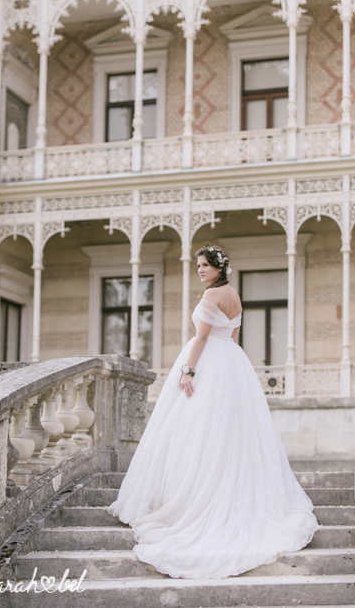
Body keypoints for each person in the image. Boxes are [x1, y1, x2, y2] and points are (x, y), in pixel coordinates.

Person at [108, 244, 319, 579]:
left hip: (209, 362)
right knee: (227, 431)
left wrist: (188, 371)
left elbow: (201, 339)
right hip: (233, 363)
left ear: (219, 267)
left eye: (204, 265)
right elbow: (232, 336)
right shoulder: (234, 295)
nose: (200, 270)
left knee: (198, 430)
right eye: (198, 266)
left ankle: (190, 497)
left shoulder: (210, 298)